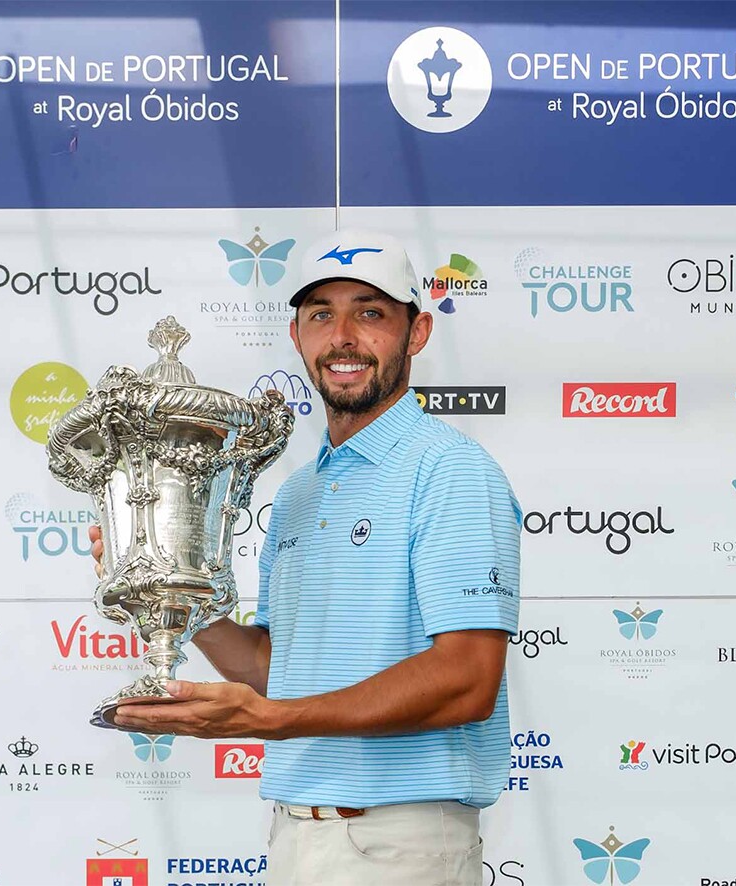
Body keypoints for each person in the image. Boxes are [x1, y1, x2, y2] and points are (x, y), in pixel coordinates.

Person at [90, 229, 521, 886]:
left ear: (417, 332)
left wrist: (273, 721)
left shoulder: (450, 470)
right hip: (296, 835)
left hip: (399, 842)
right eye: (320, 313)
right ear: (296, 335)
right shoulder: (298, 490)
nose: (342, 335)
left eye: (370, 312)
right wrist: (162, 575)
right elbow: (275, 668)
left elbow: (467, 679)